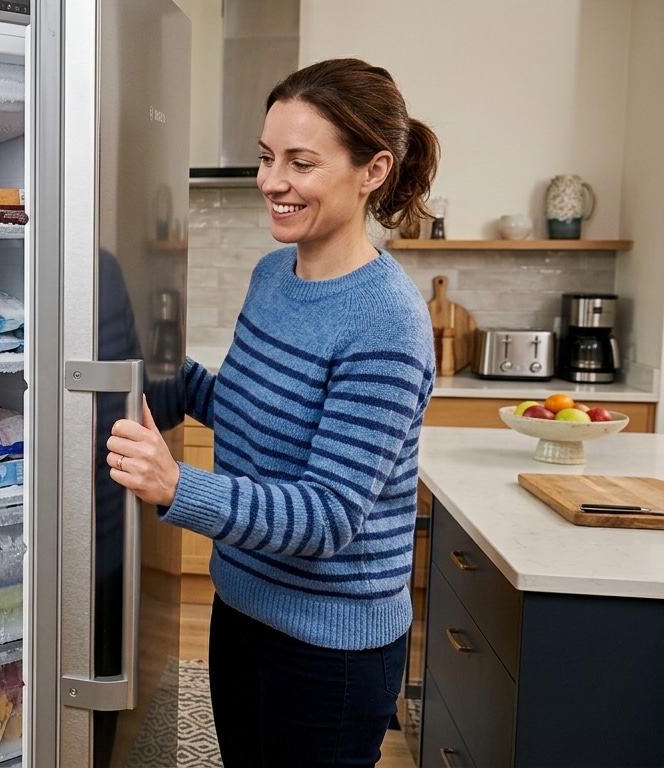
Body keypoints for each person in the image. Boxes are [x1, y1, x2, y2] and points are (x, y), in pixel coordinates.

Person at [106, 58, 440, 766]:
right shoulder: (273, 275)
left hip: (331, 649)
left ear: (372, 170)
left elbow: (327, 516)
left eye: (301, 162)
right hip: (242, 609)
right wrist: (141, 367)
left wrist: (176, 487)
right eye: (264, 158)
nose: (271, 182)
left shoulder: (387, 321)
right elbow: (245, 410)